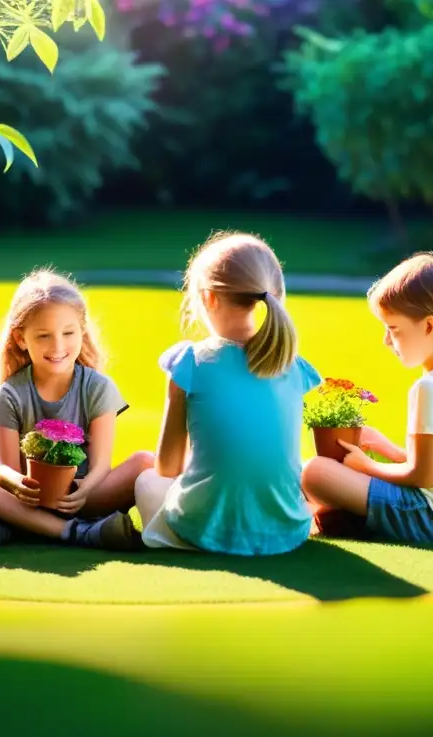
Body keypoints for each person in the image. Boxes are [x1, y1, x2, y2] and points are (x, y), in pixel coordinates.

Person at [134, 232, 321, 555]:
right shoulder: (294, 367)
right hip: (288, 533)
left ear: (209, 298)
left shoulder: (190, 363)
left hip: (205, 530)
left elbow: (167, 468)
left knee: (146, 480)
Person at [301, 252, 433, 543]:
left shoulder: (429, 388)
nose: (385, 340)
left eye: (393, 329)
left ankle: (323, 514)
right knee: (364, 437)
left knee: (315, 473)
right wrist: (389, 449)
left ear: (429, 326)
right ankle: (338, 513)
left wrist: (367, 466)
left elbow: (424, 477)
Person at [0, 269, 152, 551]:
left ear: (82, 329)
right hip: (29, 499)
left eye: (68, 333)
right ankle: (76, 533)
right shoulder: (10, 394)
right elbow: (7, 469)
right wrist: (19, 485)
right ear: (21, 339)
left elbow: (102, 464)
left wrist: (84, 491)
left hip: (83, 497)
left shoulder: (98, 387)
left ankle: (15, 526)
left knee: (146, 463)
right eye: (43, 336)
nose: (57, 346)